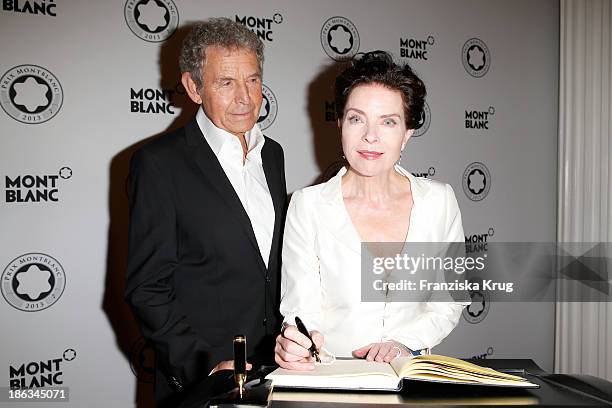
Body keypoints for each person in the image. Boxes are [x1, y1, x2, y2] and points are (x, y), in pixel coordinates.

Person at [125, 18, 287, 406]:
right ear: (193, 88)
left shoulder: (273, 154)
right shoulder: (159, 163)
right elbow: (147, 289)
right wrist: (206, 366)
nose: (246, 98)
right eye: (226, 83)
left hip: (278, 374)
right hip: (206, 385)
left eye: (252, 80)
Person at [275, 51, 469, 370]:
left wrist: (404, 343)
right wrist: (298, 341)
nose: (370, 135)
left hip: (410, 375)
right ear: (340, 123)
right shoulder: (307, 206)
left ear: (407, 133)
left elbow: (449, 299)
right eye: (356, 118)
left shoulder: (439, 202)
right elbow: (300, 311)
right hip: (332, 378)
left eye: (388, 122)